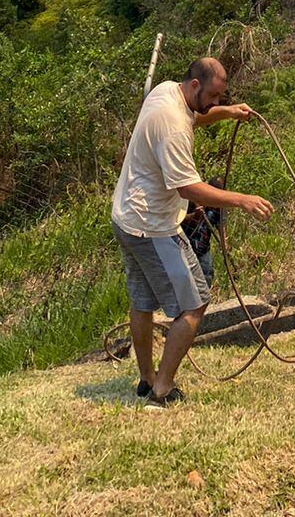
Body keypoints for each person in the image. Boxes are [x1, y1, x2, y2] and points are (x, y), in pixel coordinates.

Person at [112, 57, 272, 407]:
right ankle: (162, 391)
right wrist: (242, 200)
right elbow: (188, 187)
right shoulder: (172, 127)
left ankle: (145, 380)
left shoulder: (166, 92)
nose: (215, 102)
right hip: (153, 227)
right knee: (194, 306)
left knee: (141, 302)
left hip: (125, 217)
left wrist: (227, 112)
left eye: (221, 97)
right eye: (214, 96)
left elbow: (196, 115)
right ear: (196, 85)